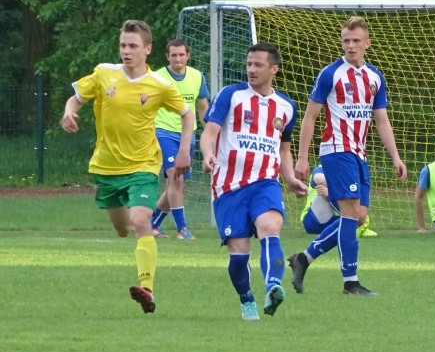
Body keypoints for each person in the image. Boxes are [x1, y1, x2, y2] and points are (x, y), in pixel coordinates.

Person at [61, 20, 195, 314]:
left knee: (141, 221)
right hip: (106, 167)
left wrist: (185, 150)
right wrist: (69, 112)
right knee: (123, 229)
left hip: (143, 165)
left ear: (147, 49)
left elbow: (187, 114)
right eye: (123, 45)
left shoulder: (160, 86)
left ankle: (147, 288)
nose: (126, 51)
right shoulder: (103, 73)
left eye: (133, 46)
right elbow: (76, 98)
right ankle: (135, 247)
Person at [291, 16, 407, 296]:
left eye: (356, 41)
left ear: (367, 43)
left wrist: (396, 156)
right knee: (350, 212)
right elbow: (310, 116)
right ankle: (351, 283)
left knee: (359, 217)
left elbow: (381, 120)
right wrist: (302, 157)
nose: (351, 45)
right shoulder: (330, 74)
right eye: (346, 41)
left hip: (359, 153)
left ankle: (304, 258)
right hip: (336, 149)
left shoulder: (375, 77)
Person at [200, 42, 308, 320]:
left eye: (258, 64)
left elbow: (283, 149)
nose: (251, 69)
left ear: (274, 69)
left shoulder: (286, 107)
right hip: (228, 187)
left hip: (265, 182)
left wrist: (289, 177)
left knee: (270, 228)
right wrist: (208, 153)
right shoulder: (230, 95)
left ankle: (273, 286)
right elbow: (209, 132)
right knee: (239, 256)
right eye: (249, 64)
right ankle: (246, 299)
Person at [150, 39, 210, 240]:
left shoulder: (197, 76)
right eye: (173, 55)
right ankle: (182, 229)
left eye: (181, 55)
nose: (177, 59)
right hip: (162, 131)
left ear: (188, 56)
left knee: (174, 183)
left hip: (187, 135)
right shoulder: (157, 78)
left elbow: (202, 107)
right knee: (175, 178)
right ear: (167, 56)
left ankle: (152, 224)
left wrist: (211, 135)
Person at [299, 165, 378, 237]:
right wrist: (331, 193)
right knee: (324, 188)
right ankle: (356, 225)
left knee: (353, 191)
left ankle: (357, 225)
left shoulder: (353, 175)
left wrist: (332, 193)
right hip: (313, 220)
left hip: (335, 220)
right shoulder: (323, 168)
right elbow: (319, 179)